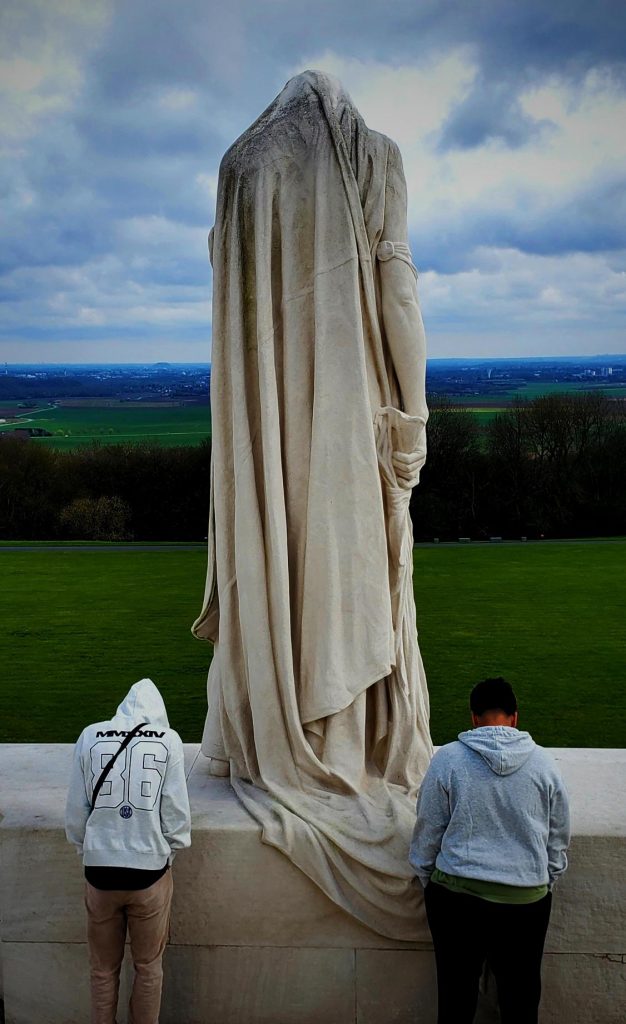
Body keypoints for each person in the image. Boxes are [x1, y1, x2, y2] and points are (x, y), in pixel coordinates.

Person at [191, 69, 432, 940]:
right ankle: (338, 741)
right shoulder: (374, 155)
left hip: (266, 428)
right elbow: (398, 290)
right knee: (350, 566)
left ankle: (268, 730)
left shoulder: (240, 166)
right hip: (343, 411)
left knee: (284, 547)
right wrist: (415, 417)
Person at [409, 677, 570, 1024]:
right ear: (514, 717)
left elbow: (428, 829)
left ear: (473, 718)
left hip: (456, 897)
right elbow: (558, 838)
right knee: (521, 1000)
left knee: (455, 999)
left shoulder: (448, 759)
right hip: (525, 897)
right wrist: (541, 881)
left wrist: (427, 878)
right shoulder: (545, 764)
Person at [65, 678, 191, 1024]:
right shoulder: (168, 740)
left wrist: (89, 852)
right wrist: (167, 854)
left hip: (100, 871)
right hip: (149, 873)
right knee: (149, 967)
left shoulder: (90, 735)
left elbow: (76, 812)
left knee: (102, 970)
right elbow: (176, 813)